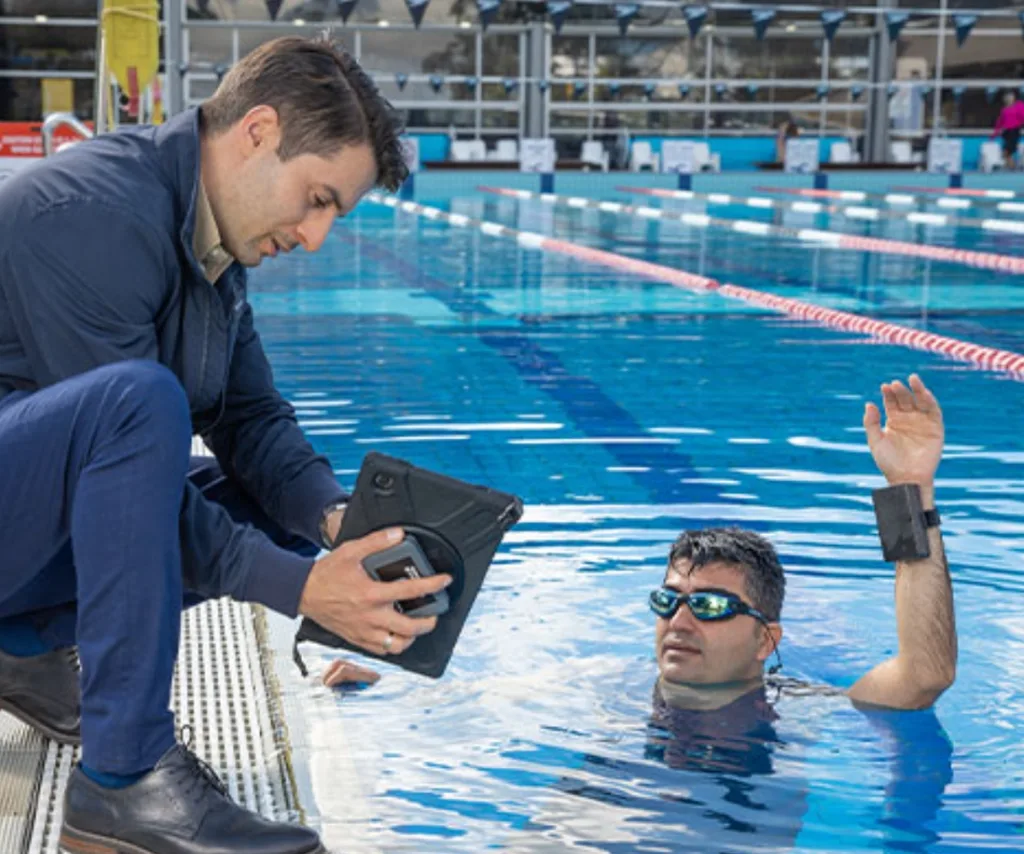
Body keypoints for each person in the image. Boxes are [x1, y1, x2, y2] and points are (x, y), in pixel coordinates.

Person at [0, 35, 449, 854]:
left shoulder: (210, 248)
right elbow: (130, 461)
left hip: (16, 524)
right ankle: (122, 782)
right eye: (317, 199)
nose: (315, 238)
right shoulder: (94, 214)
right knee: (140, 410)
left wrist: (337, 527)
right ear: (258, 131)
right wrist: (303, 591)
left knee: (272, 499)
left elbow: (252, 422)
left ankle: (21, 648)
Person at [651, 374, 955, 714]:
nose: (676, 622)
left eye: (708, 605)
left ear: (765, 640)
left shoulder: (802, 711)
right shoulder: (599, 697)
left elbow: (924, 676)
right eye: (667, 600)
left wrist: (909, 493)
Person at [991, 90, 1024, 170]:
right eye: (1007, 98)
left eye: (1010, 97)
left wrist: (1020, 124)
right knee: (1006, 153)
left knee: (1006, 152)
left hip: (1014, 131)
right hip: (1007, 132)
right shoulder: (1004, 110)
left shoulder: (1019, 106)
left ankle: (1012, 166)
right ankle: (1012, 166)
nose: (1008, 99)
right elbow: (999, 123)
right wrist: (994, 134)